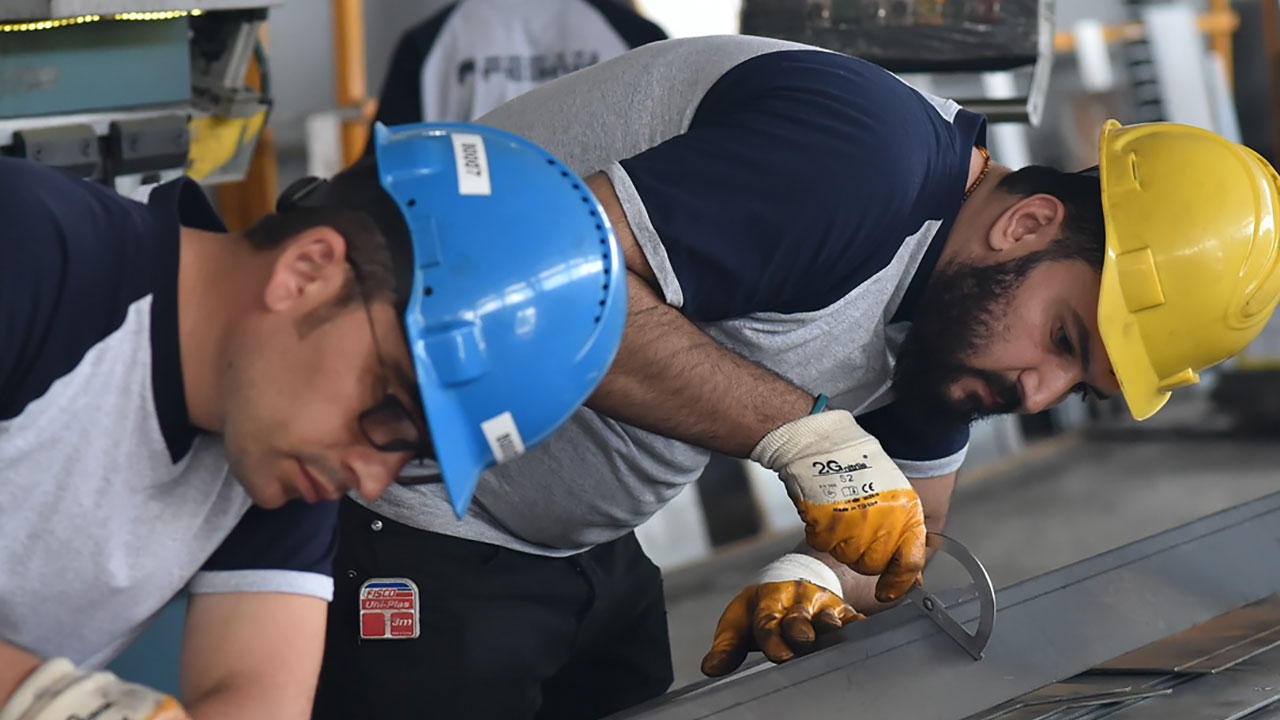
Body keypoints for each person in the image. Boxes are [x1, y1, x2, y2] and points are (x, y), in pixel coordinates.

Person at [316, 35, 1280, 720]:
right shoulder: (859, 168)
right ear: (1026, 223)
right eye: (1065, 338)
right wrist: (805, 435)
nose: (1034, 391)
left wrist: (817, 572)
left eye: (1076, 387)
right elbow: (526, 283)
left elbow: (911, 526)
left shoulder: (956, 315)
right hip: (405, 507)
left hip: (581, 551)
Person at [0, 123, 625, 720]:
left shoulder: (279, 453)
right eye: (392, 411)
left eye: (415, 456)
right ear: (307, 274)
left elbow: (257, 700)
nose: (371, 479)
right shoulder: (34, 250)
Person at [373, 0, 665, 126]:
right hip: (608, 236)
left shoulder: (431, 41)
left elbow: (386, 170)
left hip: (472, 237)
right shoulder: (635, 34)